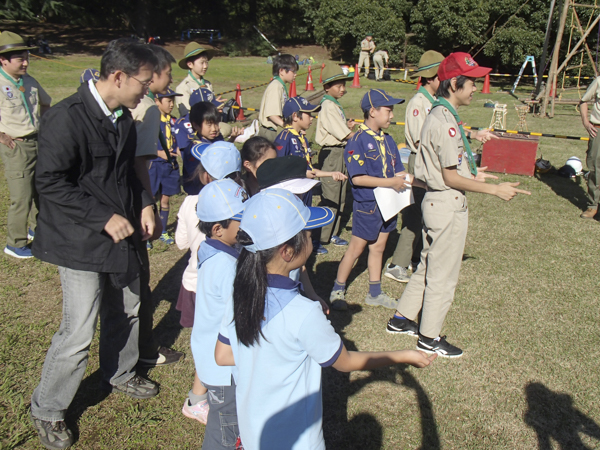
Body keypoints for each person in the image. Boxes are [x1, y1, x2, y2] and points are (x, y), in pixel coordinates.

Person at [214, 188, 436, 450]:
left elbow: (222, 355)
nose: (312, 239)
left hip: (254, 434)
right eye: (308, 235)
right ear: (287, 251)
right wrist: (403, 355)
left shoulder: (240, 294)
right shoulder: (304, 313)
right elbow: (345, 363)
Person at [29, 39, 160, 450]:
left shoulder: (123, 117)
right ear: (118, 77)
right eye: (144, 81)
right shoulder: (66, 118)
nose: (149, 89)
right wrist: (102, 217)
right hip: (79, 239)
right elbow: (49, 183)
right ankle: (48, 409)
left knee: (129, 308)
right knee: (78, 330)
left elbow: (123, 175)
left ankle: (121, 373)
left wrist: (144, 204)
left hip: (121, 234)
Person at [387, 53, 530, 358]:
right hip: (446, 202)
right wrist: (493, 189)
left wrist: (476, 173)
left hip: (436, 201)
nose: (476, 88)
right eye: (472, 82)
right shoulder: (444, 121)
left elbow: (446, 167)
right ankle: (428, 338)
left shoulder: (442, 115)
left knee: (427, 263)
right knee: (443, 274)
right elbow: (450, 177)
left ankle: (401, 318)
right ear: (454, 83)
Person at [329, 89, 422, 311]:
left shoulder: (389, 140)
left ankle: (375, 292)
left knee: (379, 247)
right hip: (368, 206)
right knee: (356, 249)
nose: (392, 116)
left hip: (388, 205)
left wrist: (423, 184)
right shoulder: (357, 141)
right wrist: (390, 182)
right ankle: (337, 289)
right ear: (372, 111)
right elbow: (359, 179)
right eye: (388, 111)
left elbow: (399, 172)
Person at [129, 43, 185, 367]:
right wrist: (147, 205)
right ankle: (144, 349)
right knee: (137, 281)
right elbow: (141, 164)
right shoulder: (148, 108)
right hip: (134, 199)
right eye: (169, 73)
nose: (170, 79)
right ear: (154, 74)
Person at [192, 178, 247, 449]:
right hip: (226, 371)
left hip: (212, 362)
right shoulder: (226, 267)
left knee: (222, 423)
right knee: (229, 431)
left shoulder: (213, 250)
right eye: (242, 220)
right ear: (218, 229)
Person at [385, 50, 444, 284]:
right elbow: (422, 140)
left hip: (430, 161)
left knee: (424, 213)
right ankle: (397, 264)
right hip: (421, 161)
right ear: (430, 78)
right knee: (414, 213)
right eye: (442, 76)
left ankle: (413, 258)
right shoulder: (419, 103)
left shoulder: (433, 102)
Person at [0, 31, 51, 259]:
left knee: (40, 190)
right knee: (21, 196)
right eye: (20, 58)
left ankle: (37, 230)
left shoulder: (30, 81)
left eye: (26, 57)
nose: (25, 62)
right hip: (16, 146)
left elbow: (46, 103)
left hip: (37, 141)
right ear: (3, 60)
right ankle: (15, 243)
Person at [275, 96, 347, 254]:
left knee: (304, 221)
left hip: (305, 191)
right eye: (308, 114)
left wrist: (331, 174)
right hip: (292, 194)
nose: (312, 118)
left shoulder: (302, 139)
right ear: (295, 116)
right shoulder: (284, 138)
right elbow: (279, 170)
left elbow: (309, 170)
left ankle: (305, 247)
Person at [315, 63, 356, 250]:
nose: (342, 89)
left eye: (343, 85)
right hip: (331, 154)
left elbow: (340, 130)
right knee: (330, 196)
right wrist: (359, 136)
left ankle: (333, 233)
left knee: (340, 195)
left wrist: (347, 125)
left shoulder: (334, 105)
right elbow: (344, 135)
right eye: (338, 86)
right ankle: (320, 237)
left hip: (340, 152)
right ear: (327, 87)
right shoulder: (328, 105)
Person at [149, 88, 182, 245]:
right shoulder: (151, 122)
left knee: (165, 199)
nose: (171, 104)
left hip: (170, 166)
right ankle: (148, 233)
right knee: (151, 200)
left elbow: (178, 141)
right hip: (155, 164)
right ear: (157, 101)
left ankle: (162, 230)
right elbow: (142, 145)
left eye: (172, 101)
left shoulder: (174, 121)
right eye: (168, 101)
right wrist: (158, 153)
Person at [257, 54, 298, 141]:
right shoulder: (276, 86)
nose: (295, 75)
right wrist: (288, 127)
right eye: (293, 71)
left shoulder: (280, 86)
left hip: (276, 130)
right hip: (270, 133)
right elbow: (272, 115)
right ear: (282, 71)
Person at [175, 42, 218, 116]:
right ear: (190, 64)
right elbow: (186, 113)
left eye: (206, 62)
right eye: (202, 63)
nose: (205, 66)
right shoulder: (184, 87)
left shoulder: (207, 84)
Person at [579, 77, 600, 219]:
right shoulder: (599, 80)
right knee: (595, 168)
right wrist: (586, 122)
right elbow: (583, 101)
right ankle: (593, 205)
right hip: (598, 130)